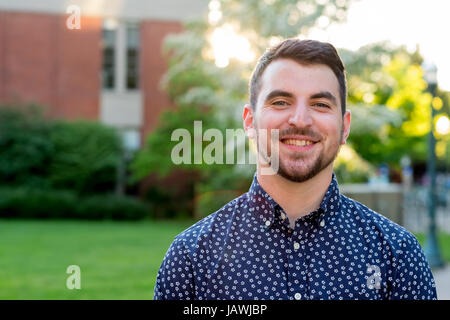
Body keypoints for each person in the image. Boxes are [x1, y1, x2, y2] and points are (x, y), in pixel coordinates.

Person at [153, 39, 437, 300]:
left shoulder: (398, 256)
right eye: (280, 102)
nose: (300, 119)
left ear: (344, 127)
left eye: (320, 104)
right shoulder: (191, 259)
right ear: (250, 121)